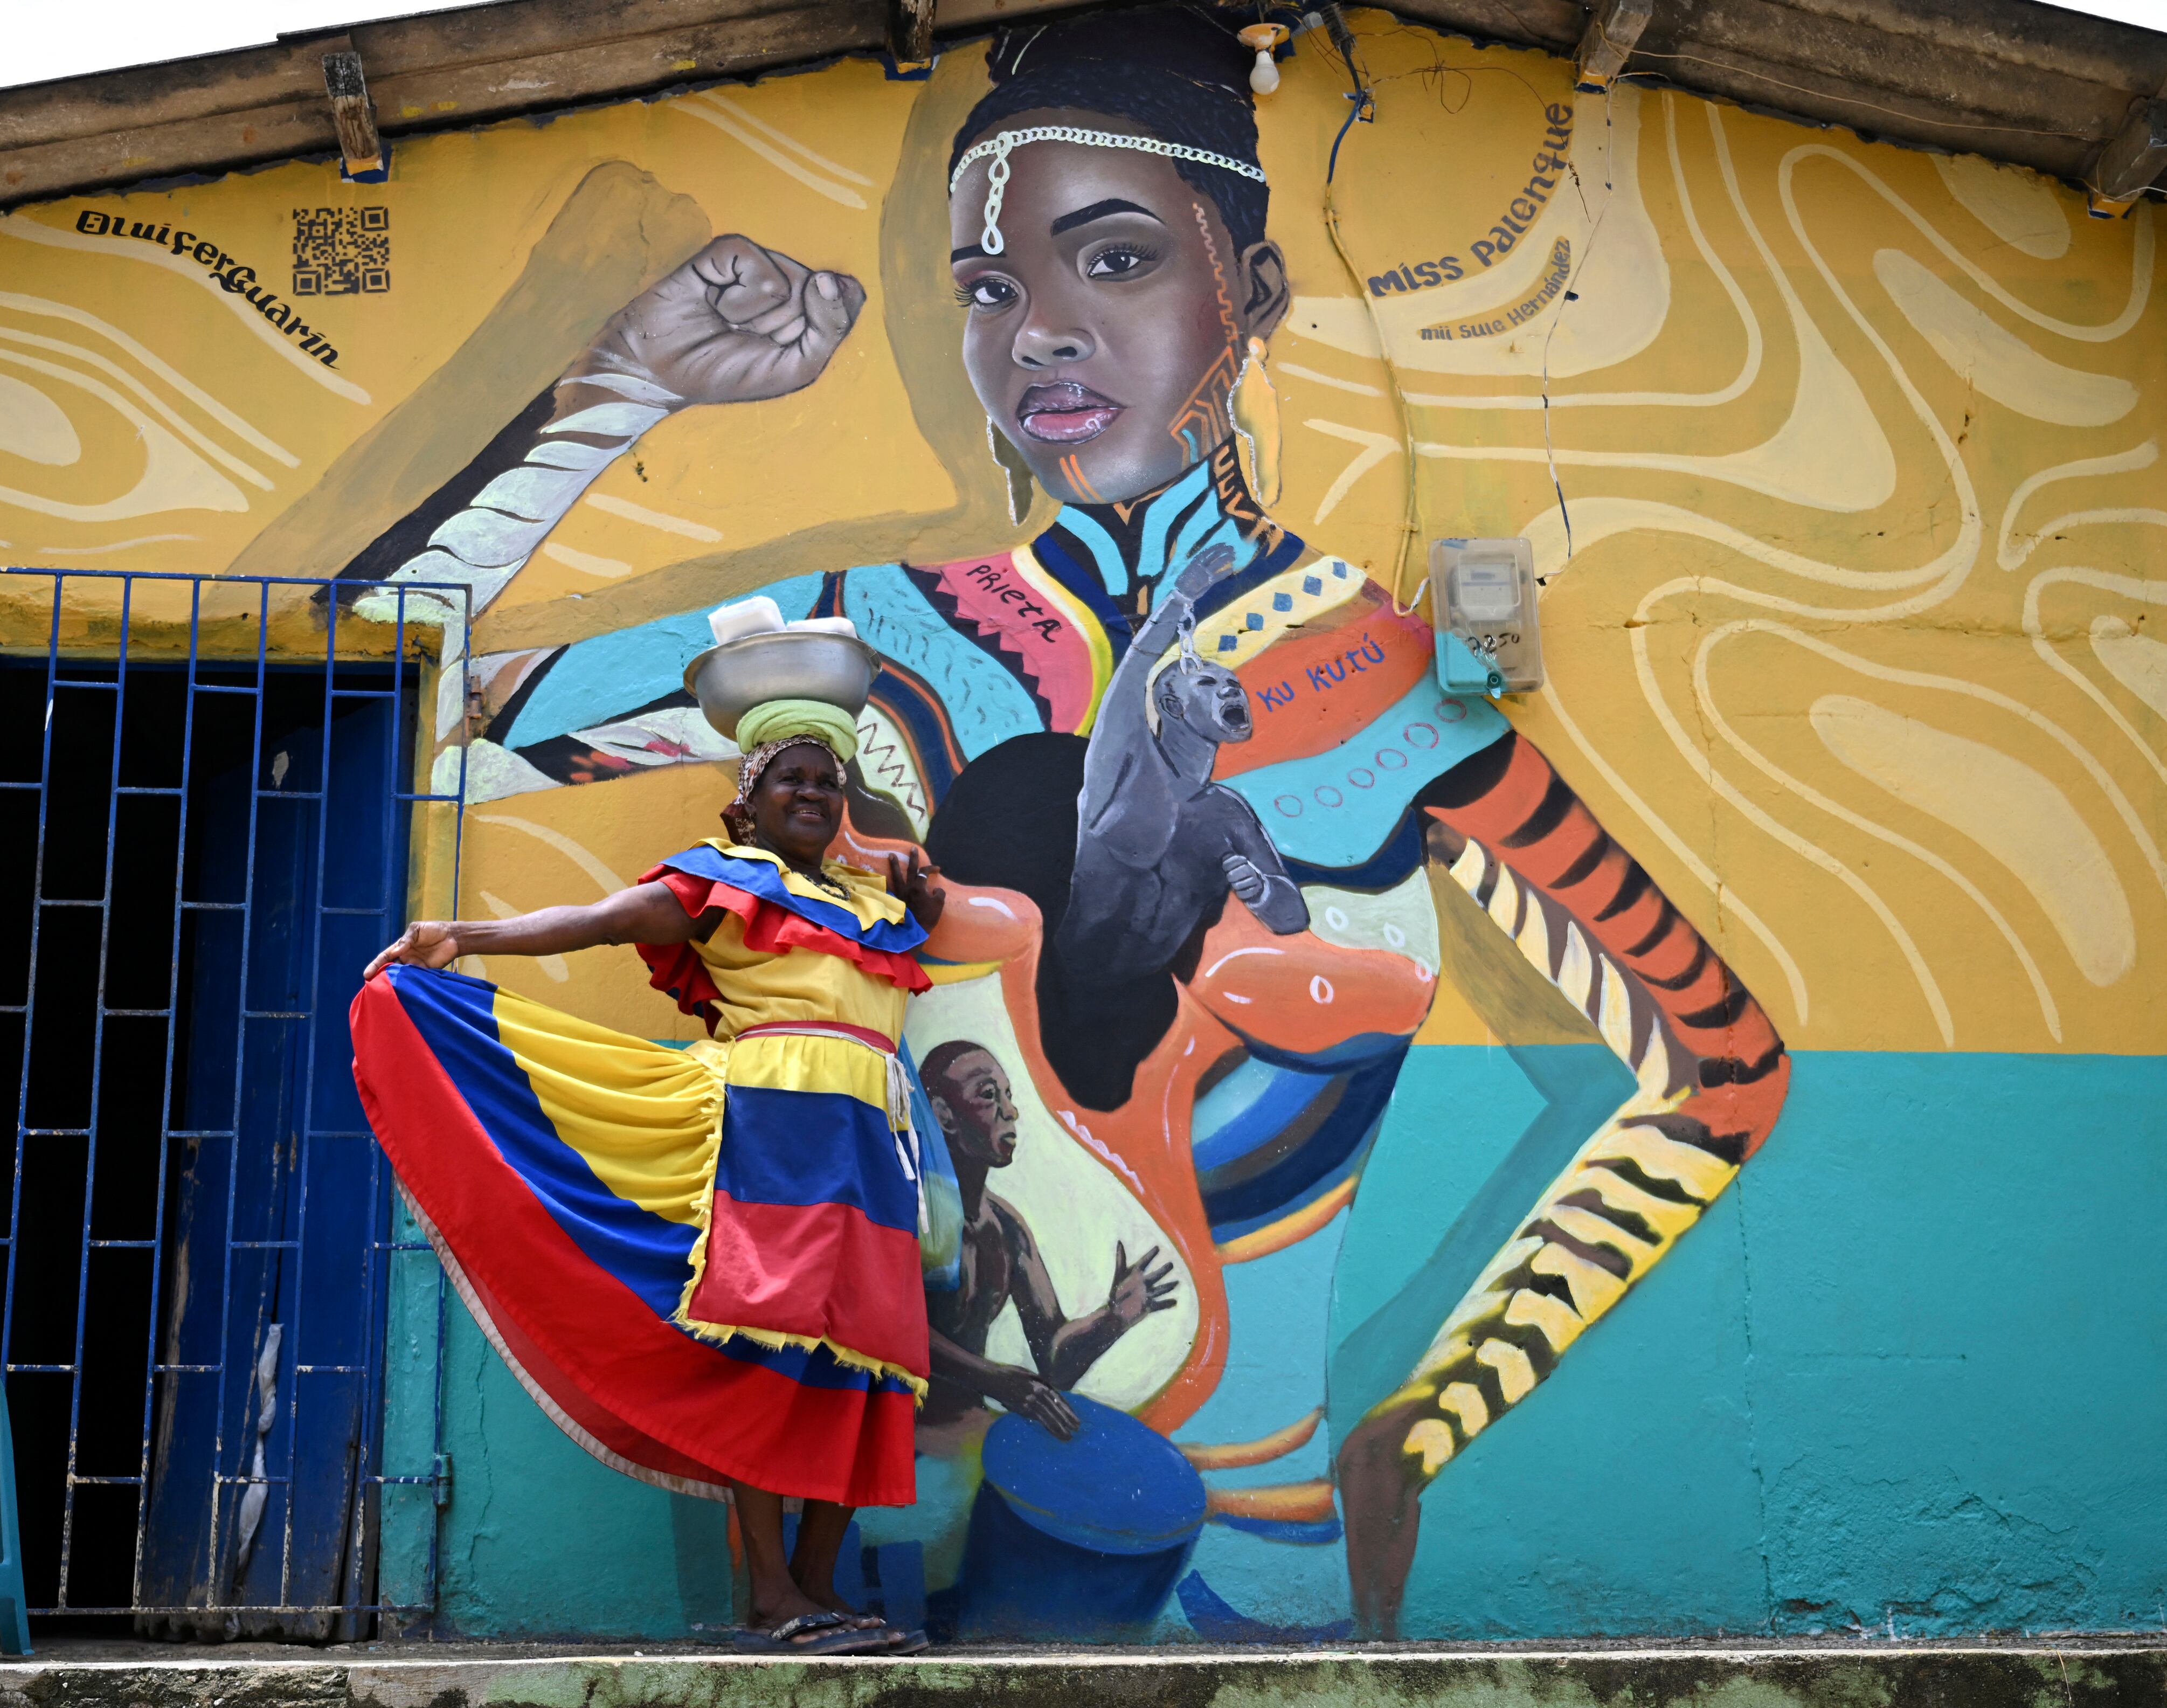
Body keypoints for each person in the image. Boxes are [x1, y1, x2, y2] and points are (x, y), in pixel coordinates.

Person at [347, 4, 1791, 1640]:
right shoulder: (863, 645)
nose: (1033, 329)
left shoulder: (1387, 675)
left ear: (1240, 295)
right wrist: (621, 391)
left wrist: (1421, 1426)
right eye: (988, 287)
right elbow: (425, 687)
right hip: (902, 1521)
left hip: (1256, 1575)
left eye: (1109, 262)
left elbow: (1717, 1073)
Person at [350, 697, 969, 1654]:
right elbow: (598, 920)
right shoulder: (719, 881)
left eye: (828, 780)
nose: (812, 791)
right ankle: (769, 1590)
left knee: (868, 1360)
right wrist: (464, 936)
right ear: (749, 802)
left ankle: (817, 1589)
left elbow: (929, 937)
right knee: (767, 1348)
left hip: (874, 1156)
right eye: (790, 778)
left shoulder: (878, 909)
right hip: (771, 1138)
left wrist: (918, 896)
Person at [917, 1039, 1178, 1437]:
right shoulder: (909, 1211)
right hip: (897, 1441)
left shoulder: (1005, 1227)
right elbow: (889, 1327)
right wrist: (995, 1380)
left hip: (968, 1439)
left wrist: (1112, 1318)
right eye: (989, 1095)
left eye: (1009, 1095)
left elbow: (1053, 1361)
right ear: (944, 1116)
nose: (1011, 1111)